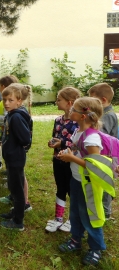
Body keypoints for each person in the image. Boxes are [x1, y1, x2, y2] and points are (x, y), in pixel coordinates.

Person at [57, 97, 115, 266]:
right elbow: (78, 149)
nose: (70, 110)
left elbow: (94, 165)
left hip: (88, 183)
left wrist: (71, 158)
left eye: (73, 109)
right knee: (75, 212)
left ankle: (96, 248)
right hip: (77, 180)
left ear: (83, 116)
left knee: (90, 215)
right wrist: (70, 152)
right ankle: (75, 240)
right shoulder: (78, 131)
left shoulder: (92, 139)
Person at [45, 87, 81, 233]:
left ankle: (72, 220)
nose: (56, 102)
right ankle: (58, 219)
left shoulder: (78, 123)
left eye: (59, 99)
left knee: (72, 191)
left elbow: (77, 144)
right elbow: (56, 136)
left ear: (69, 102)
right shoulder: (58, 120)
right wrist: (53, 142)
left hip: (71, 162)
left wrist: (63, 144)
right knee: (60, 188)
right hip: (57, 160)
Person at [0, 76, 32, 213]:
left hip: (16, 156)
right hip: (11, 155)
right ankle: (16, 211)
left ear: (19, 101)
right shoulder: (12, 114)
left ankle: (18, 220)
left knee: (17, 189)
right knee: (14, 186)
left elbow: (25, 138)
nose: (6, 103)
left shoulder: (16, 116)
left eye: (10, 100)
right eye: (4, 100)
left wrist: (11, 142)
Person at [88, 83, 118, 219]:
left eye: (93, 101)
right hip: (104, 155)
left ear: (103, 100)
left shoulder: (108, 116)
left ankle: (106, 212)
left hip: (109, 157)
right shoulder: (104, 113)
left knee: (105, 182)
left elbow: (100, 135)